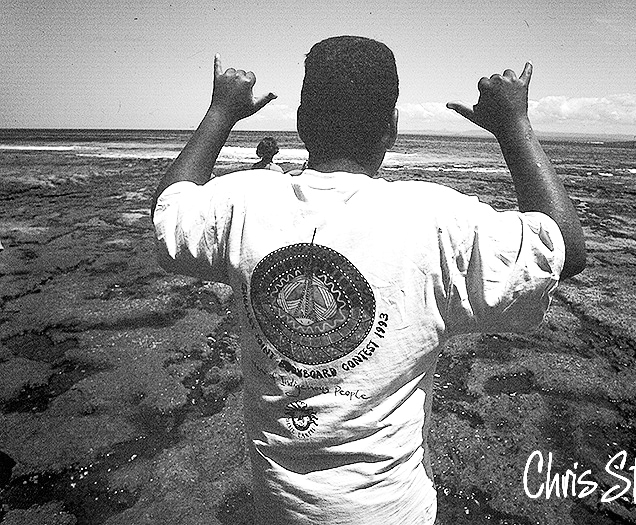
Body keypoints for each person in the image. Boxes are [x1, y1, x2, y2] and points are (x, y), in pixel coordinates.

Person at [152, 36, 585, 525]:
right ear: (392, 128)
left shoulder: (245, 202)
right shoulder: (435, 220)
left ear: (301, 123)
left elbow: (169, 210)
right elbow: (564, 251)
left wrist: (221, 113)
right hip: (391, 510)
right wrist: (513, 127)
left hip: (277, 507)